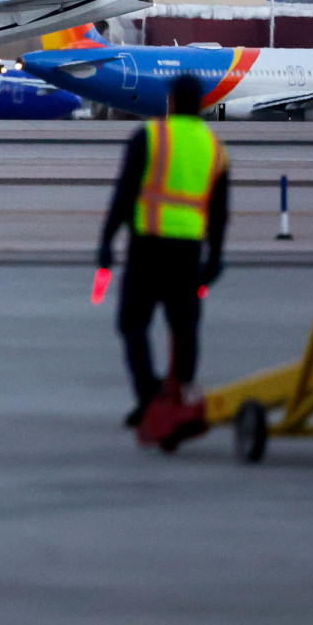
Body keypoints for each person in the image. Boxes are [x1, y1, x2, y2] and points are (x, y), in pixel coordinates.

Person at [98, 72, 229, 431]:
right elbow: (219, 212)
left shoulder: (151, 137)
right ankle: (180, 396)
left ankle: (148, 395)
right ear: (200, 102)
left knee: (133, 323)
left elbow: (124, 194)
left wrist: (107, 241)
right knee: (184, 325)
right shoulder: (213, 147)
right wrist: (215, 257)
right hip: (188, 251)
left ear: (170, 100)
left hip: (148, 245)